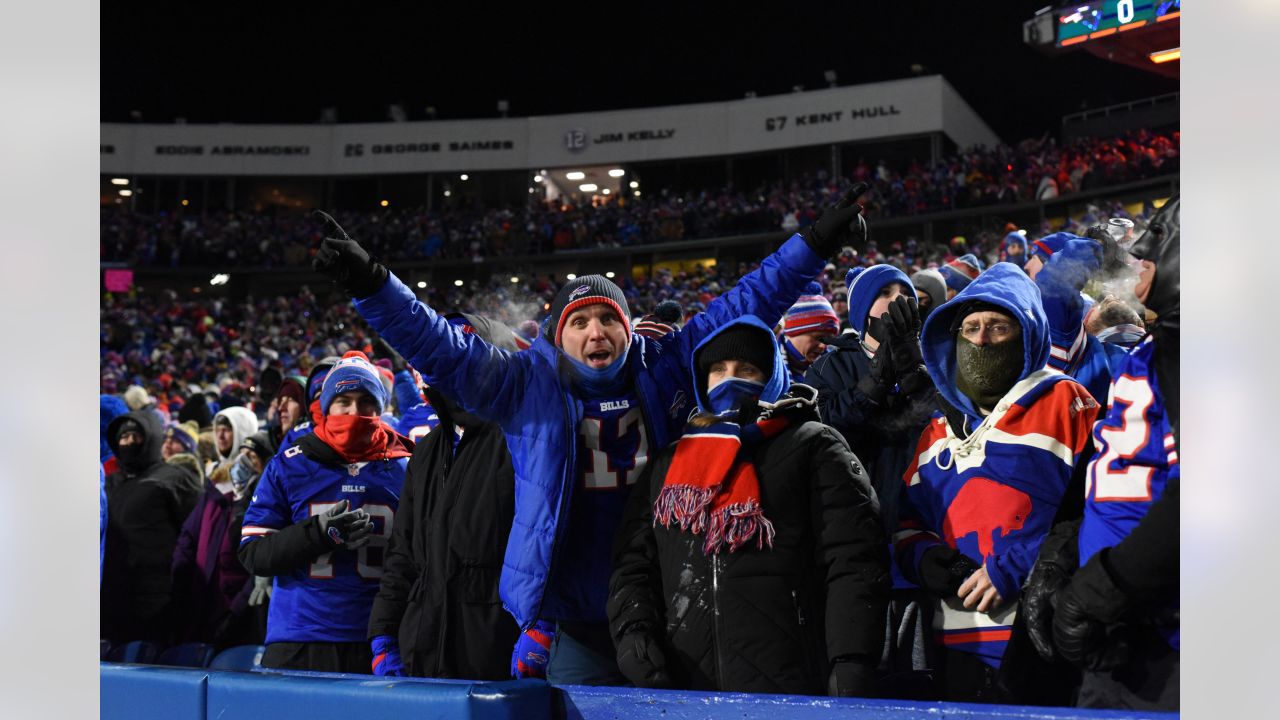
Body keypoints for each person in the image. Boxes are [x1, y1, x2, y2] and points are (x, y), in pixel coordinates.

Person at [310, 188, 869, 684]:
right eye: (579, 321)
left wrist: (815, 244)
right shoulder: (525, 385)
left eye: (608, 318)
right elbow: (440, 347)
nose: (595, 331)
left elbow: (751, 299)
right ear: (559, 335)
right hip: (572, 621)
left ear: (628, 331)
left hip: (668, 603)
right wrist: (372, 283)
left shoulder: (666, 368)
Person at [608, 316, 889, 696]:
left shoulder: (813, 445)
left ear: (771, 377)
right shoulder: (669, 462)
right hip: (687, 685)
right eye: (718, 370)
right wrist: (633, 631)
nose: (730, 379)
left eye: (748, 369)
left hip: (793, 681)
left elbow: (853, 558)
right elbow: (635, 562)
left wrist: (851, 657)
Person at [892, 263, 1100, 703]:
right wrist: (925, 558)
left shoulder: (1066, 401)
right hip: (952, 647)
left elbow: (1104, 510)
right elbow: (907, 525)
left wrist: (1018, 565)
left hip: (1041, 634)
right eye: (970, 327)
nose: (981, 339)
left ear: (1027, 333)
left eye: (998, 327)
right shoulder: (934, 430)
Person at [1024, 195, 1180, 711]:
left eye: (1159, 239)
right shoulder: (1159, 350)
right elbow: (1119, 476)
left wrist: (1107, 587)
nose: (1140, 256)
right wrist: (1067, 548)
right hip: (1125, 633)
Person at [367, 314, 522, 679]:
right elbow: (402, 552)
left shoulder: (521, 439)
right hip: (422, 643)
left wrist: (542, 626)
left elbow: (544, 546)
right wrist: (383, 633)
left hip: (496, 648)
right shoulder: (428, 449)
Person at [238, 351, 413, 672]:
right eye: (343, 401)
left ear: (381, 407)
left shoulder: (406, 466)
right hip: (301, 635)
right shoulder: (290, 463)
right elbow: (254, 553)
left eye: (365, 401)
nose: (354, 411)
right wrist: (318, 534)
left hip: (379, 639)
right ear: (326, 406)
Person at [101, 409, 204, 644]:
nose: (128, 443)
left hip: (157, 602)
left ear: (152, 437)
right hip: (111, 599)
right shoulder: (109, 483)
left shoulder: (175, 478)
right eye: (123, 438)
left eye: (135, 436)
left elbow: (197, 538)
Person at [170, 431, 276, 647]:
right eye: (242, 454)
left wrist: (235, 610)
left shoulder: (265, 503)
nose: (243, 462)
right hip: (205, 601)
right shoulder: (218, 498)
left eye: (252, 457)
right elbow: (188, 539)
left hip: (238, 611)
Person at [780, 283, 840, 383]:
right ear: (792, 332)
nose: (823, 346)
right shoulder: (765, 365)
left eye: (828, 339)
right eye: (818, 338)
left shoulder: (836, 367)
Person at [210, 406, 259, 482]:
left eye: (226, 430)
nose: (220, 436)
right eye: (218, 430)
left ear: (243, 433)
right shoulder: (211, 470)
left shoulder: (257, 477)